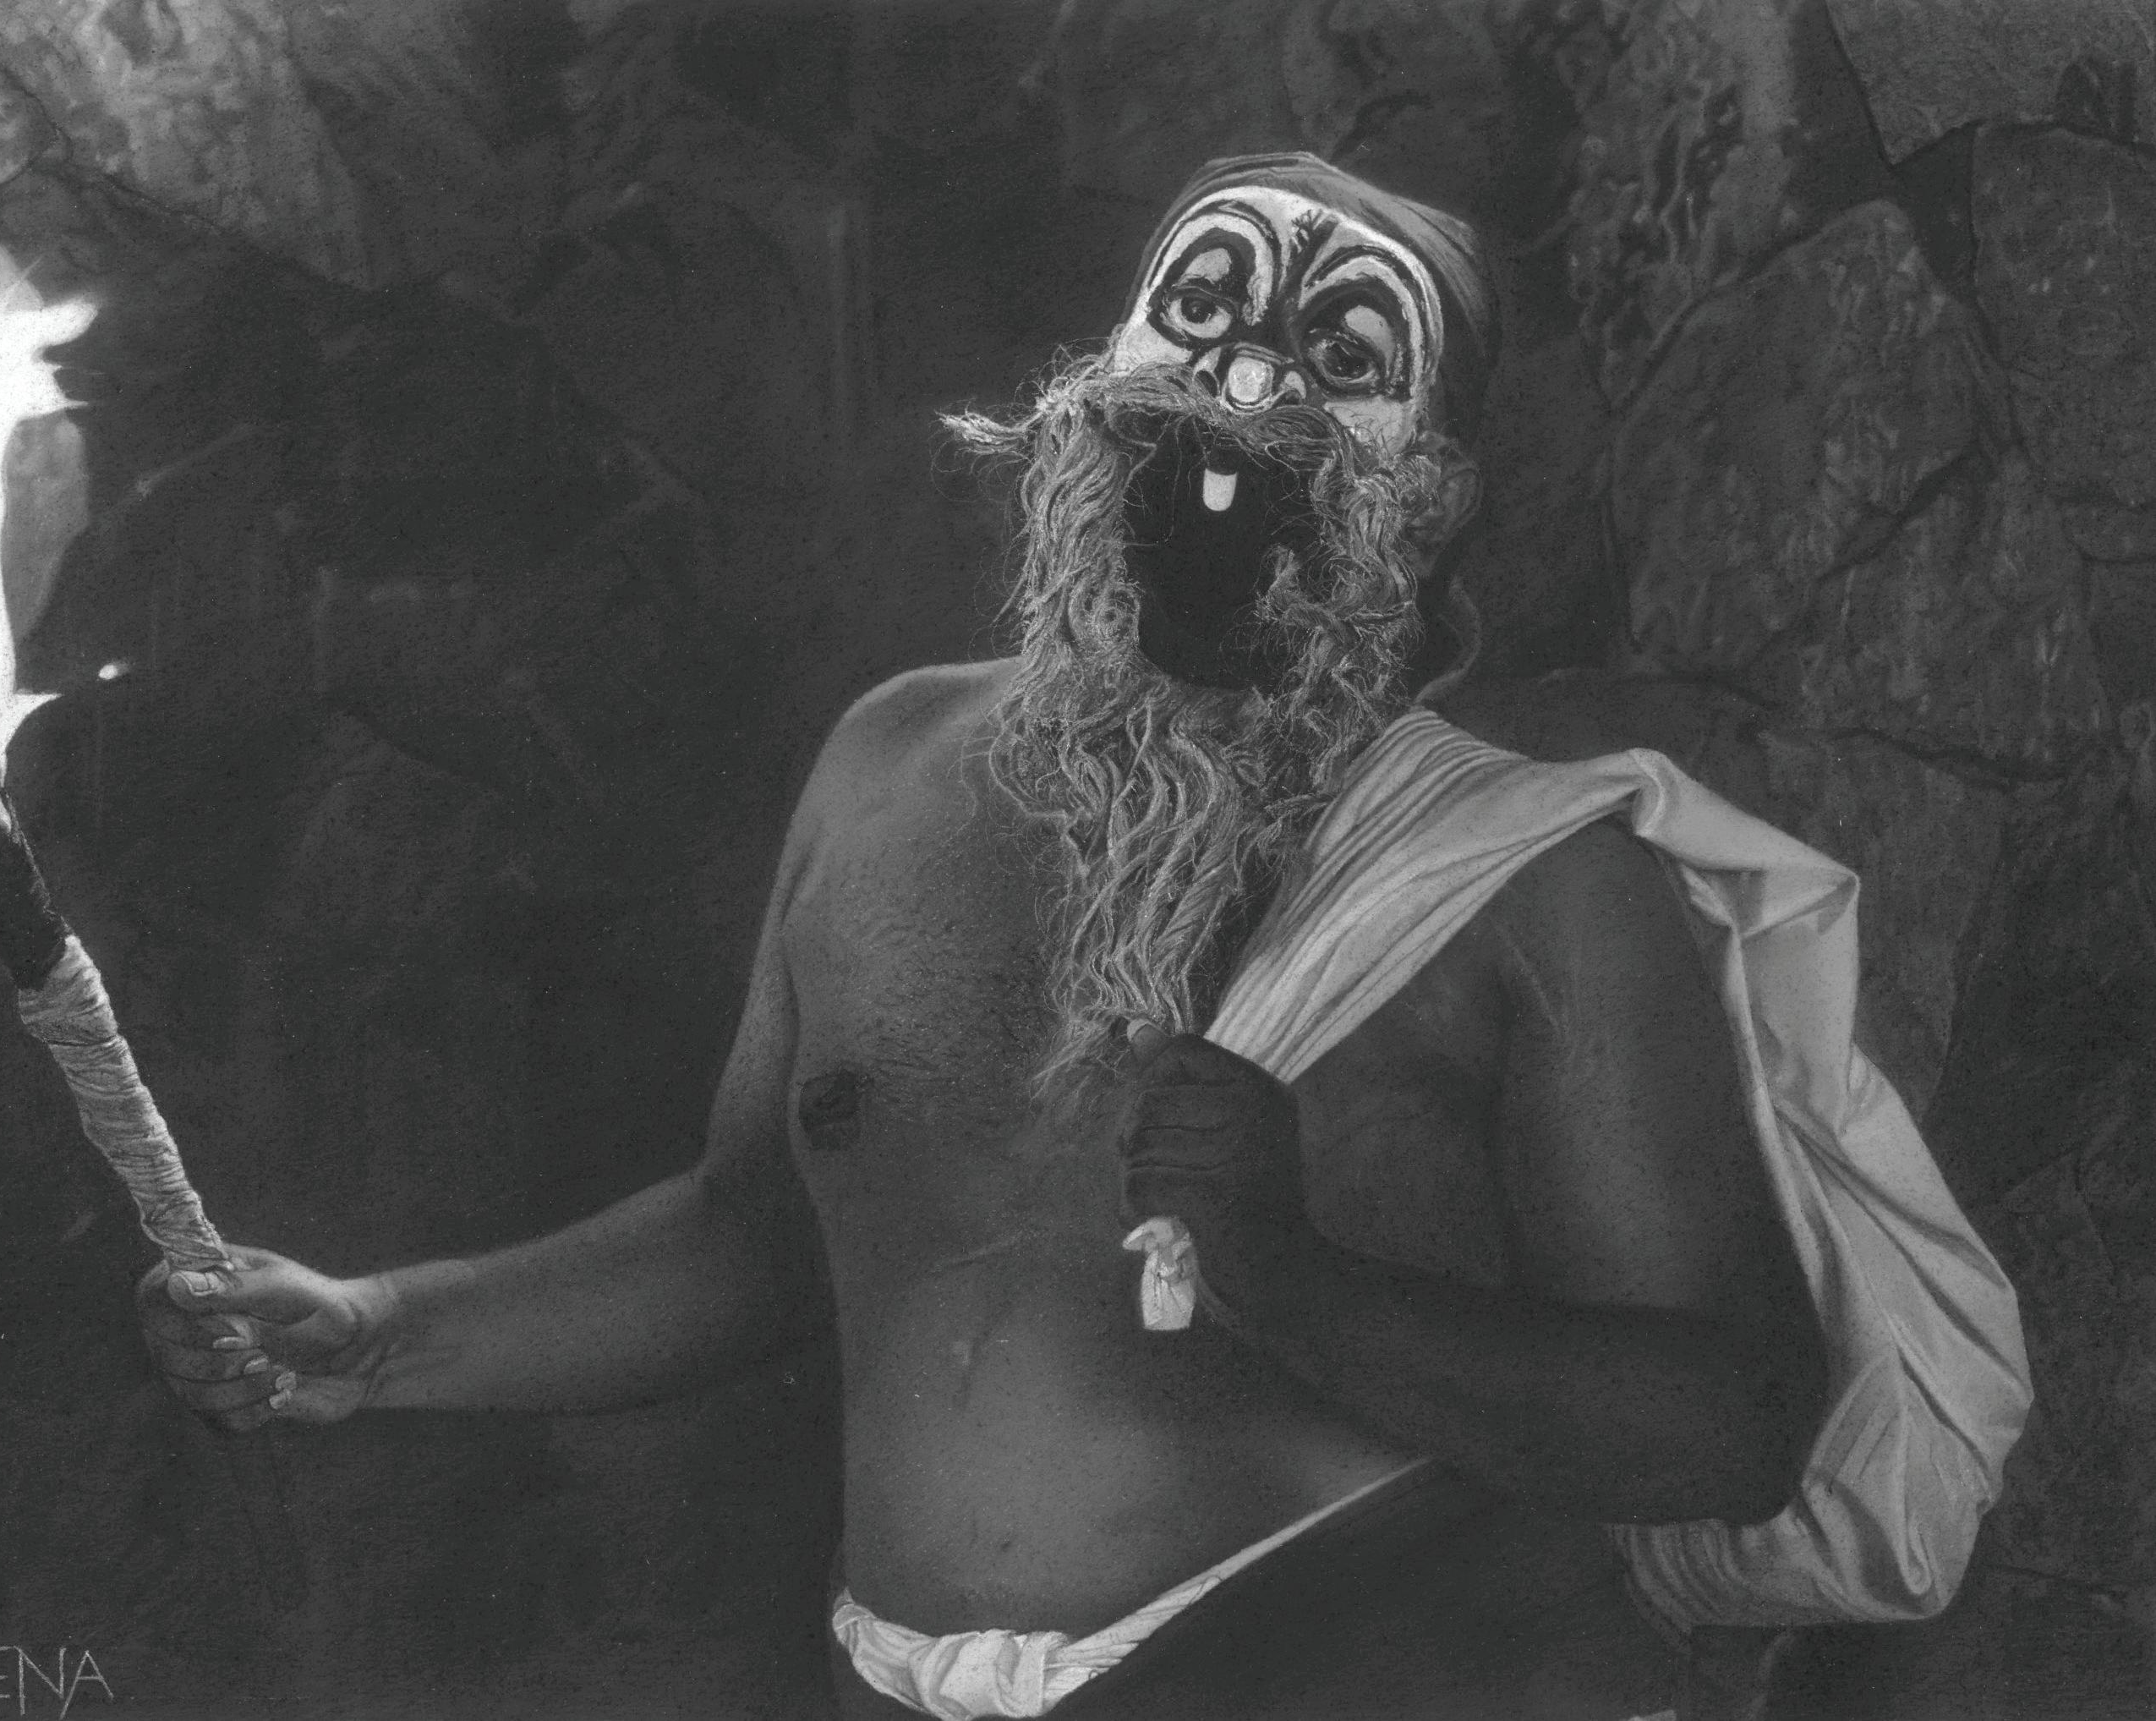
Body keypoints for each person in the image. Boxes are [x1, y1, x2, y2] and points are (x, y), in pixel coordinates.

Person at [138, 156, 1837, 1719]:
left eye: (1340, 354)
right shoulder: (889, 763)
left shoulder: (1528, 884)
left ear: (1434, 489)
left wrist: (1298, 1283)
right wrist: (385, 1331)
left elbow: (1737, 1424)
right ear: (1100, 374)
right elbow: (754, 1235)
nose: (1246, 384)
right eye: (1202, 306)